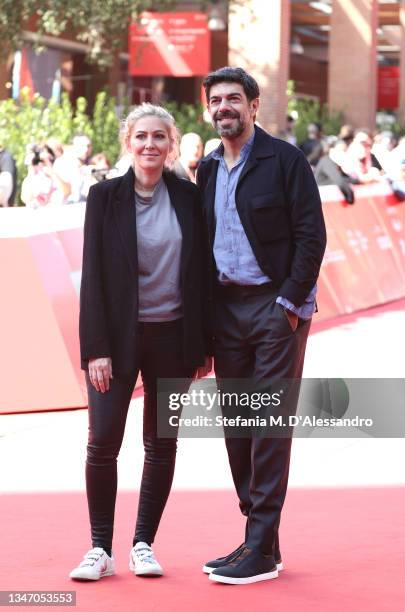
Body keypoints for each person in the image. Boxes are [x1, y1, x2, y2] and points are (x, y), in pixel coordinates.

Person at [70, 103, 211, 581]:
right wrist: (95, 348)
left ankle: (143, 544)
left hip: (173, 337)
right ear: (128, 143)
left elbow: (200, 277)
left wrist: (201, 345)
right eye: (141, 136)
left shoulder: (190, 199)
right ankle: (100, 549)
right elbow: (93, 279)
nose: (150, 144)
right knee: (102, 442)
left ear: (172, 145)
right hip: (115, 340)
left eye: (159, 137)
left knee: (162, 443)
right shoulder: (103, 196)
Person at [197, 67, 326, 585]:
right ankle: (260, 542)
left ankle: (258, 546)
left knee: (268, 428)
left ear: (254, 105)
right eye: (216, 100)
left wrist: (290, 303)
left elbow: (311, 237)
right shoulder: (207, 168)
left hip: (276, 310)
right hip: (226, 312)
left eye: (234, 98)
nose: (224, 107)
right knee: (238, 427)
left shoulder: (286, 161)